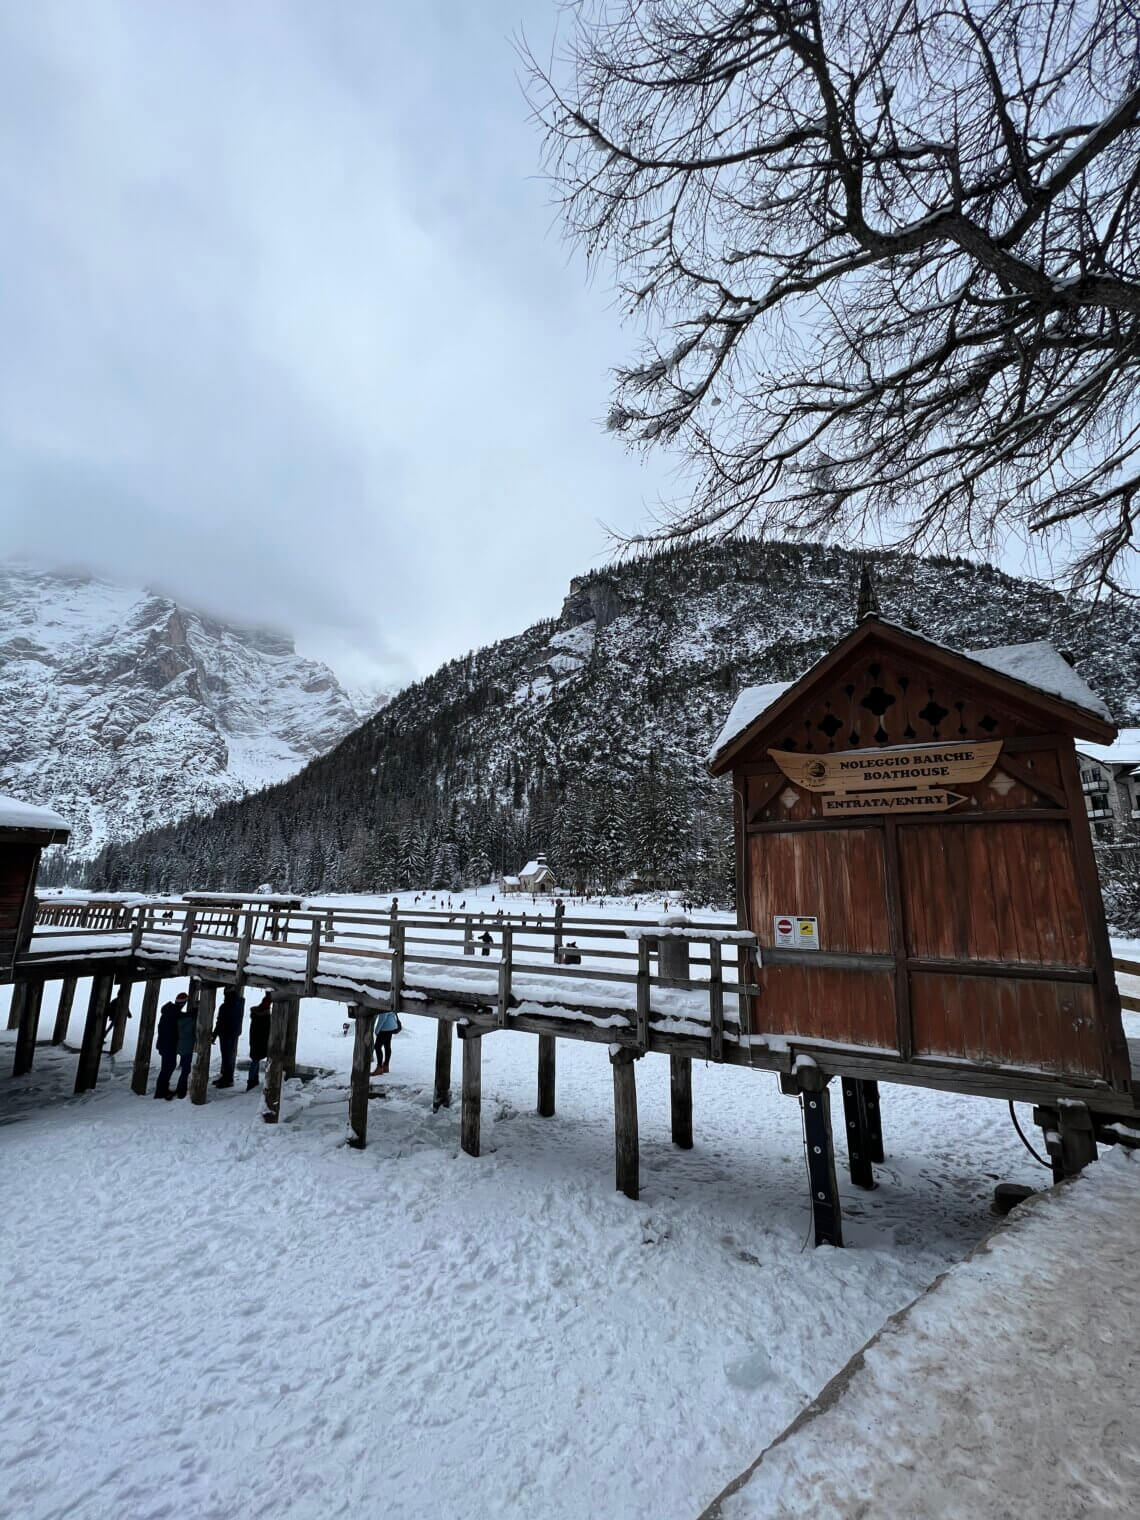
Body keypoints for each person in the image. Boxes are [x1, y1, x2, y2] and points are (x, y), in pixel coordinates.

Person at [153, 990, 188, 1100]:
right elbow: (180, 1018)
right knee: (168, 1067)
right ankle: (160, 1091)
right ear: (183, 1003)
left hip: (164, 1044)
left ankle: (162, 1090)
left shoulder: (169, 1011)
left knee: (167, 1067)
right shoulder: (174, 1013)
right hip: (168, 1045)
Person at [212, 985, 244, 1089]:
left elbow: (220, 1022)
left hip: (225, 1034)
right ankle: (226, 1077)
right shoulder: (238, 1003)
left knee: (226, 1057)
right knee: (228, 1057)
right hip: (233, 1034)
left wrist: (214, 1034)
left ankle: (228, 1079)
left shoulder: (225, 1006)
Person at [246, 992, 271, 1090]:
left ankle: (252, 1081)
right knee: (255, 1061)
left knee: (255, 1061)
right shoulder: (264, 1019)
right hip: (260, 1042)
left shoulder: (257, 1016)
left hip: (255, 1042)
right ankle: (252, 1082)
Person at [174, 992, 197, 1099]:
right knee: (186, 1070)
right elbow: (195, 1033)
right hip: (187, 1047)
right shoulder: (191, 1020)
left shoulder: (178, 1017)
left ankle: (181, 1088)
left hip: (180, 1045)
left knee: (184, 1067)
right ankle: (181, 1090)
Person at [372, 1007, 399, 1075]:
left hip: (385, 1028)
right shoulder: (390, 1002)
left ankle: (379, 1068)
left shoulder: (383, 1003)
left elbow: (382, 1018)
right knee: (387, 1046)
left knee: (377, 1047)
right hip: (391, 1026)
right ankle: (386, 1066)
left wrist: (377, 1030)